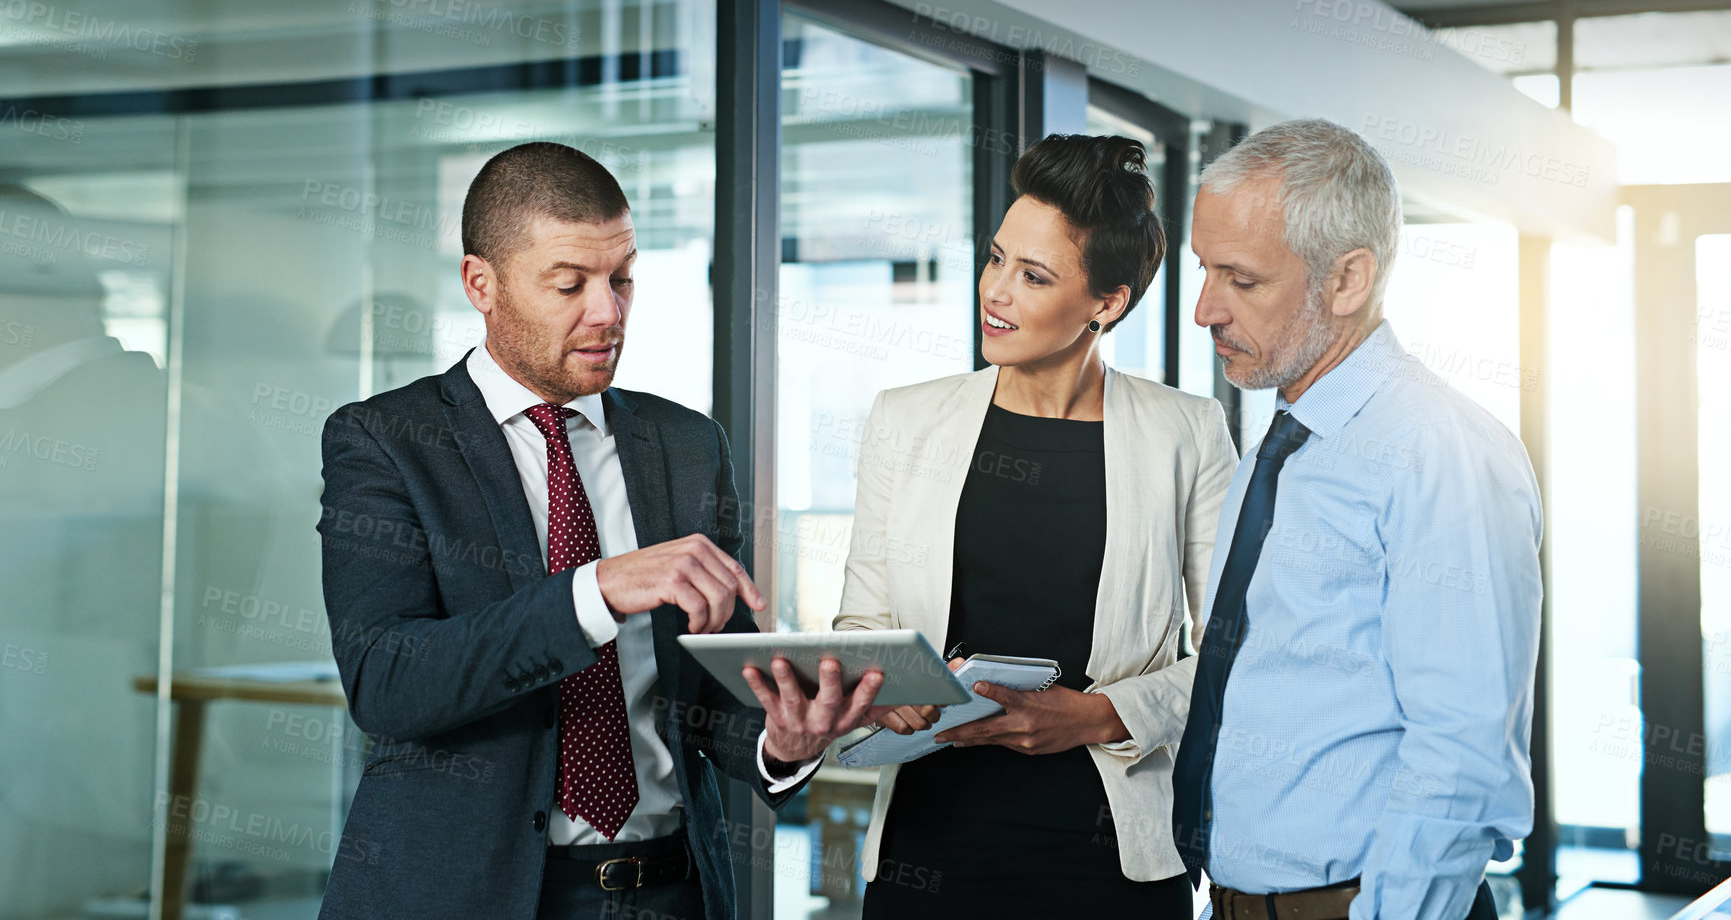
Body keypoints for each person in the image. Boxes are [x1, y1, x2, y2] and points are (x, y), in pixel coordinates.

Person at [317, 143, 880, 920]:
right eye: (569, 284)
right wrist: (597, 590)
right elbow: (386, 681)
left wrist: (780, 741)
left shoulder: (685, 445)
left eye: (622, 278)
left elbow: (715, 687)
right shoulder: (386, 439)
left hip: (669, 888)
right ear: (481, 283)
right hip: (466, 894)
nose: (608, 311)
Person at [833, 133, 1240, 918]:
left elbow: (1235, 652)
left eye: (1033, 275)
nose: (996, 291)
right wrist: (883, 690)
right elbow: (862, 623)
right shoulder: (905, 419)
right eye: (994, 259)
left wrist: (1099, 713)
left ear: (1106, 302)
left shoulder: (1184, 432)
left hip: (1106, 858)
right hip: (930, 846)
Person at [1170, 119, 1543, 920]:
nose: (1204, 309)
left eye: (1241, 279)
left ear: (1347, 279)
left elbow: (1460, 752)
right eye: (1204, 269)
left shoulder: (1437, 451)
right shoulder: (1284, 444)